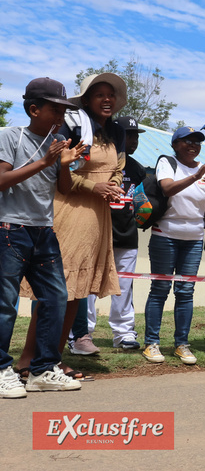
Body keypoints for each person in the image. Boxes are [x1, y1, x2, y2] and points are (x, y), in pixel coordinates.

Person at [18, 72, 128, 381]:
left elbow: (118, 167)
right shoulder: (73, 125)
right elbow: (56, 167)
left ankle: (52, 359)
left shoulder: (117, 132)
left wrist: (113, 185)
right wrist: (95, 188)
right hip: (69, 209)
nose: (107, 99)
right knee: (56, 289)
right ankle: (27, 359)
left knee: (76, 292)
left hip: (97, 216)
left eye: (111, 95)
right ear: (87, 99)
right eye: (99, 94)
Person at [0, 78, 85, 397]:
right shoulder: (10, 136)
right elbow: (2, 179)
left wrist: (62, 165)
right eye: (55, 108)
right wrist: (44, 162)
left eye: (64, 109)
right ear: (34, 109)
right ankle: (1, 369)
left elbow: (63, 188)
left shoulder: (59, 139)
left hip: (43, 230)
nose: (61, 115)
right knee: (5, 304)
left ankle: (42, 370)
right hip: (9, 228)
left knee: (54, 298)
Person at [142, 126, 205, 365]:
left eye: (197, 141)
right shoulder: (167, 162)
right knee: (160, 290)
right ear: (175, 144)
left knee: (185, 293)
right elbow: (167, 188)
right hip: (166, 235)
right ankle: (151, 343)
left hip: (194, 239)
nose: (193, 145)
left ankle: (181, 344)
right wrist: (196, 177)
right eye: (187, 141)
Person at [97, 116, 148, 351]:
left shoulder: (138, 169)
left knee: (124, 287)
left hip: (127, 235)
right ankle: (81, 333)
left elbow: (140, 203)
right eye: (129, 135)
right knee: (89, 285)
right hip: (98, 233)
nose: (133, 140)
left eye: (136, 136)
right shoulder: (99, 162)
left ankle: (124, 332)